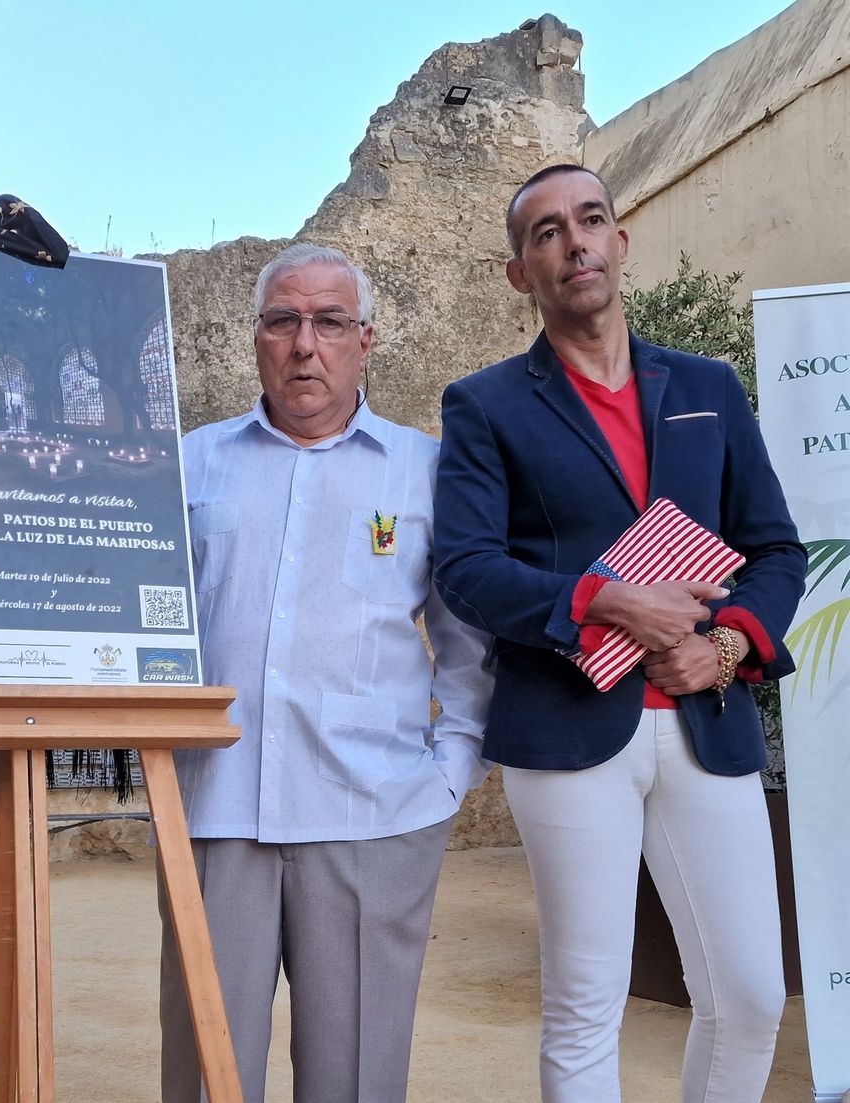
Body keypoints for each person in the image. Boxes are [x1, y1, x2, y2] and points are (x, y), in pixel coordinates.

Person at [433, 163, 806, 1102]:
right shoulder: (486, 404)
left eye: (591, 220)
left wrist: (723, 645)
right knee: (586, 999)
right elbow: (466, 568)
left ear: (620, 242)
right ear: (522, 270)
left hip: (702, 718)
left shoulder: (708, 387)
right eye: (547, 232)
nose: (575, 243)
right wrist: (602, 598)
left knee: (753, 991)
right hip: (566, 727)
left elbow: (775, 551)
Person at [163, 242, 494, 1103]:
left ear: (365, 340)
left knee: (355, 1080)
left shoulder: (425, 472)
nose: (305, 343)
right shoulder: (190, 465)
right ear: (257, 338)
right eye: (283, 321)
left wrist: (448, 777)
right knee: (208, 1075)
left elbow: (467, 644)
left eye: (329, 321)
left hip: (371, 819)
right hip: (214, 811)